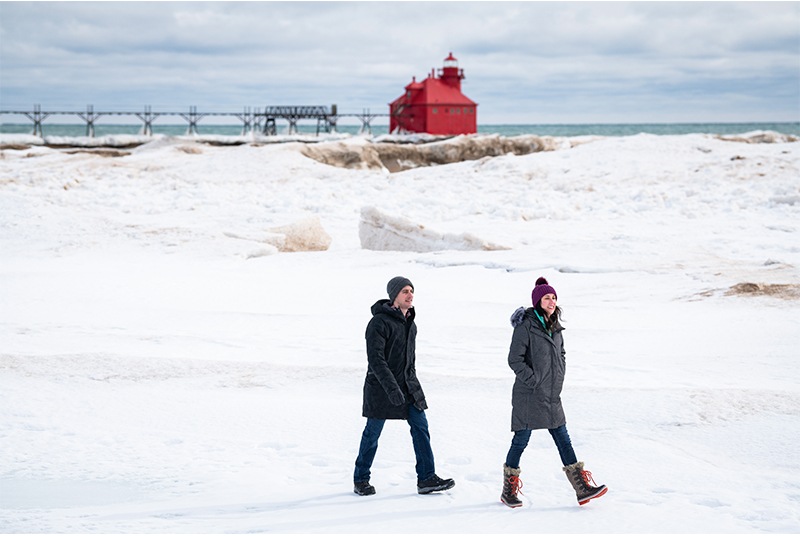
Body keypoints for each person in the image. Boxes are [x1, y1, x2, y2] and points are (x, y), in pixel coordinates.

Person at [500, 277, 607, 508]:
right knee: (521, 439)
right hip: (529, 394)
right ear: (538, 301)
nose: (552, 300)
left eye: (554, 297)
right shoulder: (526, 325)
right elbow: (514, 360)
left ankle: (581, 489)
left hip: (551, 394)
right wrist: (535, 380)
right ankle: (509, 490)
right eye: (547, 297)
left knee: (562, 437)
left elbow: (562, 354)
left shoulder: (555, 325)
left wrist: (558, 377)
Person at [353, 276, 455, 496]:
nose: (410, 295)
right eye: (405, 291)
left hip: (408, 386)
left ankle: (427, 478)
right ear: (394, 296)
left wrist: (412, 386)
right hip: (381, 387)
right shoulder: (379, 323)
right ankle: (361, 479)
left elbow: (410, 361)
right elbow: (376, 360)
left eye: (412, 291)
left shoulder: (411, 323)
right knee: (372, 433)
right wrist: (391, 388)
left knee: (421, 427)